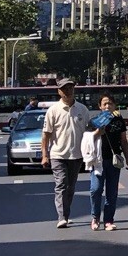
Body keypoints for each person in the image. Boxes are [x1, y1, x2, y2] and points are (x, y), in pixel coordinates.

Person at [40, 79, 93, 229]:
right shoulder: (53, 110)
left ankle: (66, 214)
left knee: (70, 187)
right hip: (58, 155)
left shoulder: (82, 109)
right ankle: (62, 217)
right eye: (64, 89)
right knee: (61, 184)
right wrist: (45, 155)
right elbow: (46, 135)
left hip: (76, 155)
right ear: (59, 91)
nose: (68, 91)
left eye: (70, 88)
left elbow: (89, 132)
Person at [84, 95, 128, 231]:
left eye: (110, 103)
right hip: (98, 161)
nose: (107, 106)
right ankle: (95, 217)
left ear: (114, 106)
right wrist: (97, 132)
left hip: (114, 161)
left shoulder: (118, 121)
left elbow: (123, 141)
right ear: (100, 106)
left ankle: (109, 220)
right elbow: (86, 140)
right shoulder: (94, 121)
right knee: (96, 189)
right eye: (104, 104)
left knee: (112, 192)